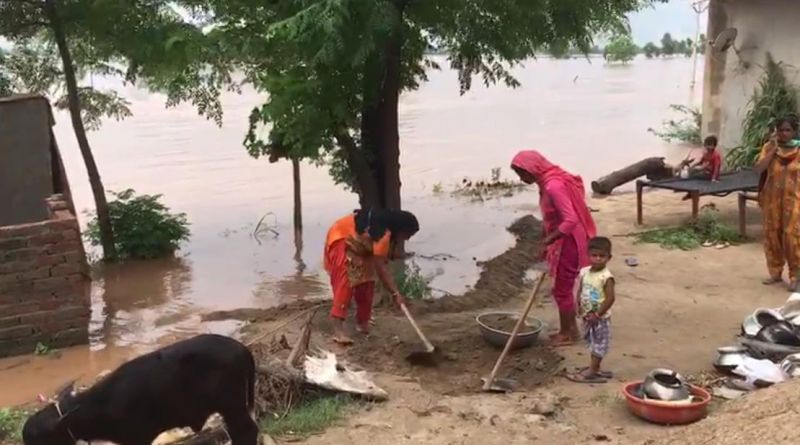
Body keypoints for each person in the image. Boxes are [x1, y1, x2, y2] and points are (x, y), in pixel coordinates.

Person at [511, 150, 597, 346]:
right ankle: (569, 329)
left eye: (522, 173)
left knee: (561, 290)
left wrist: (549, 239)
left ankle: (569, 333)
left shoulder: (553, 186)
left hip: (569, 241)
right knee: (562, 287)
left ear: (533, 169)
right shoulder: (548, 182)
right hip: (565, 239)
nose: (521, 178)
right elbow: (553, 218)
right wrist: (547, 238)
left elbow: (570, 220)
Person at [324, 208, 420, 344]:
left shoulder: (384, 233)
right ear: (400, 229)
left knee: (367, 282)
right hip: (342, 238)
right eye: (408, 234)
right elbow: (381, 268)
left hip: (361, 246)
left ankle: (362, 324)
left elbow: (380, 259)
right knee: (345, 283)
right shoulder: (383, 234)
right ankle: (338, 331)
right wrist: (395, 293)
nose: (408, 238)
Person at [755, 117, 800, 291]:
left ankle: (795, 276)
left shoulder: (798, 149)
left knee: (792, 237)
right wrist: (773, 150)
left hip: (794, 200)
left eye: (788, 130)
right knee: (772, 235)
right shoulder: (769, 147)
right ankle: (775, 272)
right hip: (772, 200)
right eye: (781, 130)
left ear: (794, 132)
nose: (784, 133)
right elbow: (759, 168)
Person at [567, 237, 616, 384]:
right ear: (588, 255)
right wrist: (578, 305)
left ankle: (592, 371)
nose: (598, 259)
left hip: (600, 318)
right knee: (591, 341)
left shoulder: (606, 277)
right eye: (594, 255)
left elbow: (610, 298)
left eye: (602, 256)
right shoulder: (584, 272)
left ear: (609, 257)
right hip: (587, 315)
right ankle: (595, 367)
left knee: (599, 343)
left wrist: (598, 314)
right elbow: (580, 289)